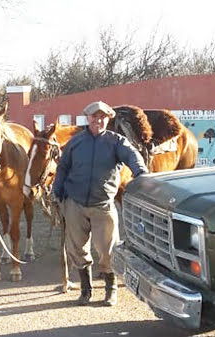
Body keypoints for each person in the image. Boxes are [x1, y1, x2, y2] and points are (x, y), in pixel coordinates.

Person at [53, 101, 148, 306]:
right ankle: (86, 291)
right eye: (95, 117)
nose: (99, 120)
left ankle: (110, 289)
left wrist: (140, 172)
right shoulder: (76, 143)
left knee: (108, 249)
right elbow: (62, 167)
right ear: (87, 118)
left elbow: (133, 156)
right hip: (75, 203)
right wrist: (57, 189)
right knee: (76, 248)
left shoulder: (116, 142)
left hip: (103, 205)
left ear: (108, 119)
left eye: (103, 117)